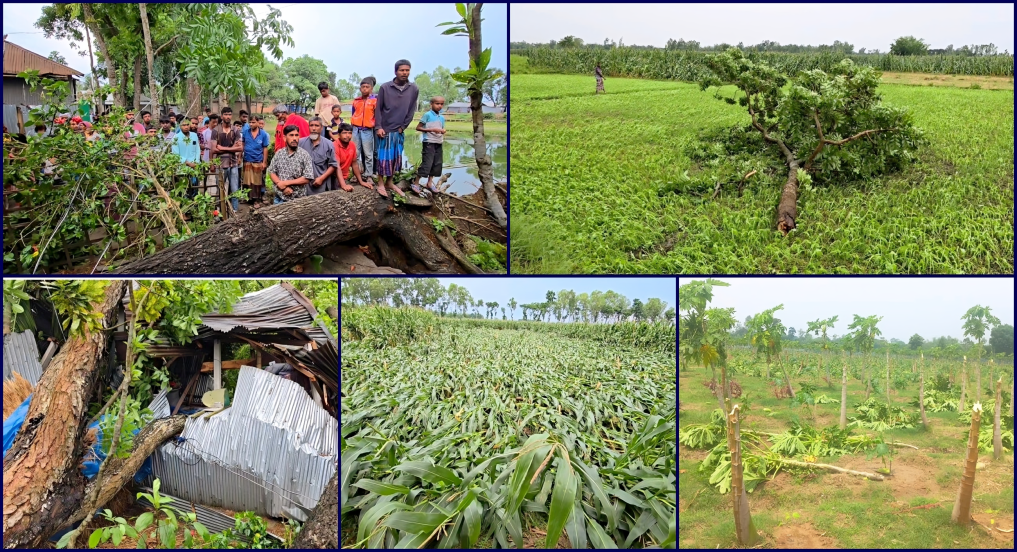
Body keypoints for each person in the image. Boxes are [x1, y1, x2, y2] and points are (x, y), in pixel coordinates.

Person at [375, 59, 418, 197]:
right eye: (402, 70)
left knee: (395, 158)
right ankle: (380, 183)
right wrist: (379, 127)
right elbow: (378, 109)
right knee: (383, 158)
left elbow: (411, 110)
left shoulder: (413, 89)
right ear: (395, 72)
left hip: (398, 130)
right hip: (385, 129)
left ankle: (390, 182)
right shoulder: (385, 88)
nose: (404, 73)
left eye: (407, 70)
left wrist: (403, 127)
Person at [267, 124, 313, 204]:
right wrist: (280, 184)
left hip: (297, 200)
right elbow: (272, 171)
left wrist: (285, 183)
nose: (294, 138)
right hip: (279, 198)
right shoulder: (279, 153)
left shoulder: (304, 155)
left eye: (296, 135)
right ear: (285, 138)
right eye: (291, 135)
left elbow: (307, 177)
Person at [211, 107, 244, 212]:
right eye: (225, 114)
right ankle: (218, 211)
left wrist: (223, 148)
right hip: (220, 164)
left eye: (229, 114)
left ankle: (234, 211)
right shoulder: (216, 130)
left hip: (233, 164)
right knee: (220, 189)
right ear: (222, 116)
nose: (228, 116)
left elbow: (240, 148)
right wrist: (232, 149)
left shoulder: (235, 130)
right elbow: (214, 149)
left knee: (235, 189)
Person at [414, 96, 446, 195]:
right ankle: (416, 183)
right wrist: (431, 130)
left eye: (441, 104)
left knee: (436, 163)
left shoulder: (442, 117)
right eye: (437, 103)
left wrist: (443, 131)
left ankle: (429, 183)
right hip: (429, 142)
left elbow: (441, 128)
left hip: (438, 142)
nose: (439, 106)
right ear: (431, 104)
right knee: (427, 163)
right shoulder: (427, 115)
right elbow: (418, 128)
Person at [298, 117, 337, 195]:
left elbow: (333, 165)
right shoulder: (300, 143)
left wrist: (321, 178)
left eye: (316, 126)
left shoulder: (329, 144)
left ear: (322, 128)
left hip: (321, 187)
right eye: (311, 125)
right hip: (303, 187)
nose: (314, 128)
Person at [350, 76, 377, 185]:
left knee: (368, 153)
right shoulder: (356, 101)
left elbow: (377, 116)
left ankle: (368, 175)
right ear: (360, 88)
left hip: (367, 130)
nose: (365, 89)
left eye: (367, 87)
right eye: (363, 87)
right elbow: (353, 114)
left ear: (371, 88)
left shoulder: (374, 101)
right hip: (356, 129)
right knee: (355, 153)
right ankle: (357, 174)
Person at [334, 123, 373, 193]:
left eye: (349, 133)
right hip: (333, 178)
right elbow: (337, 167)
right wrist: (343, 185)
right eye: (344, 133)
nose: (347, 135)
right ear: (339, 135)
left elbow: (354, 164)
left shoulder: (352, 145)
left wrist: (361, 181)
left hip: (344, 177)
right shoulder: (334, 145)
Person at [242, 115, 270, 207]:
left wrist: (264, 162)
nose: (251, 124)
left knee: (257, 182)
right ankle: (248, 198)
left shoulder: (263, 134)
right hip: (247, 160)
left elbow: (265, 149)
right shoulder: (246, 132)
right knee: (247, 181)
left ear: (258, 123)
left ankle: (256, 200)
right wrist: (239, 157)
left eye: (253, 122)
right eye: (250, 122)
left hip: (258, 161)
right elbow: (242, 145)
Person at [172, 118, 201, 198]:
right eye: (184, 125)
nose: (186, 127)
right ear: (180, 126)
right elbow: (176, 155)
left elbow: (197, 150)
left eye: (187, 124)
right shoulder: (176, 138)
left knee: (195, 191)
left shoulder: (194, 135)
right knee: (184, 191)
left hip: (194, 168)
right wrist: (188, 163)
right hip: (182, 169)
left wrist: (196, 162)